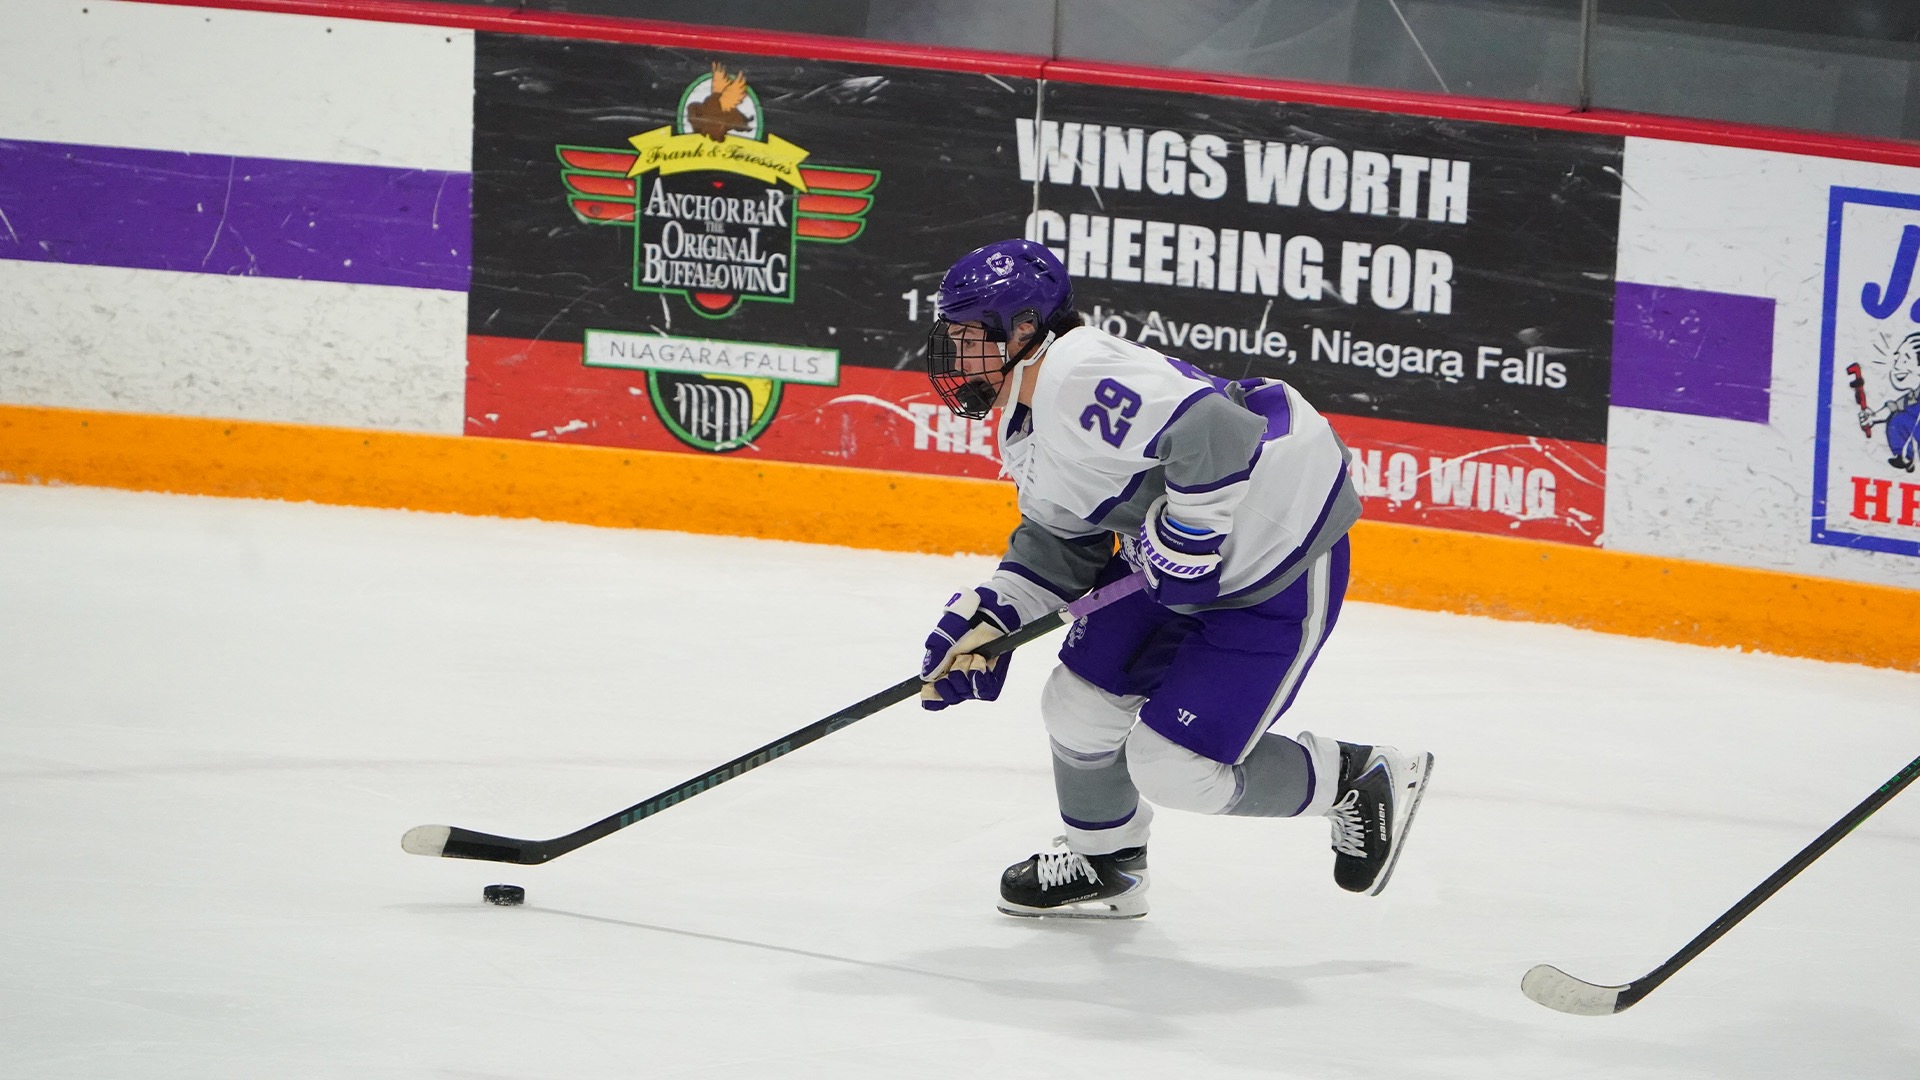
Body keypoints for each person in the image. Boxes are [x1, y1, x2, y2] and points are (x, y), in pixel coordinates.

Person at [916, 238, 1434, 919]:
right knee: (1077, 706)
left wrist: (1189, 539)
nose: (956, 357)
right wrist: (989, 619)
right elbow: (1060, 549)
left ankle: (1356, 777)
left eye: (969, 337)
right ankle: (1108, 864)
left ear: (1023, 329)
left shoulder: (1077, 369)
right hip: (1171, 569)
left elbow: (1218, 432)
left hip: (1274, 552)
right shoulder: (1025, 422)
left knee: (1174, 769)